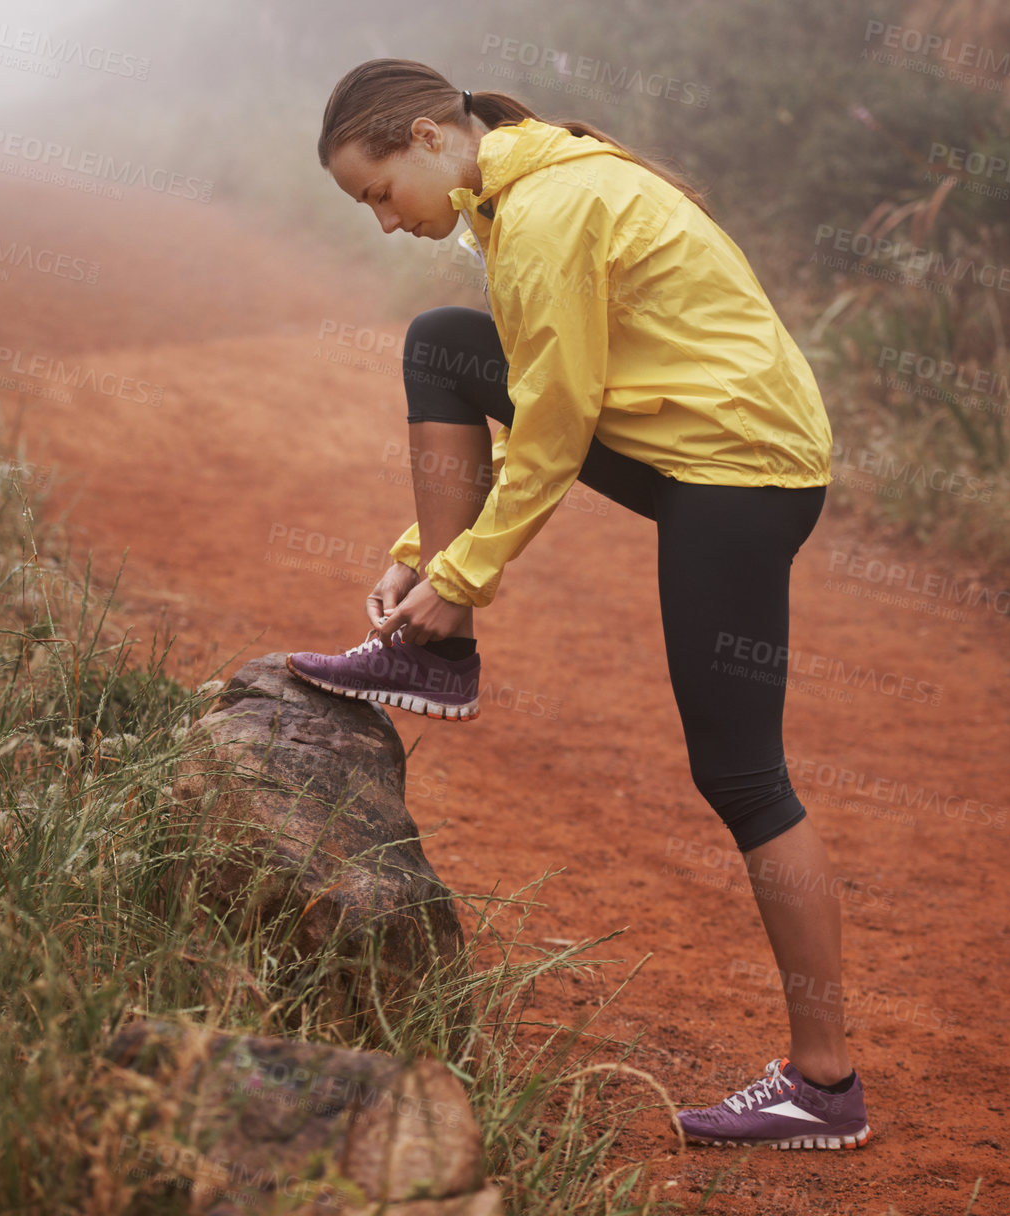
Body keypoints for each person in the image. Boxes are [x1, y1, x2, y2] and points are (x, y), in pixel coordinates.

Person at [286, 58, 872, 1151]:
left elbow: (555, 424)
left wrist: (455, 581)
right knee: (444, 348)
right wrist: (425, 555)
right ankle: (438, 651)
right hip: (694, 445)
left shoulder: (546, 205)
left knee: (741, 773)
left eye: (377, 193)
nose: (381, 221)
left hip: (742, 471)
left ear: (425, 139)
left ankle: (825, 1083)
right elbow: (550, 392)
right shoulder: (515, 187)